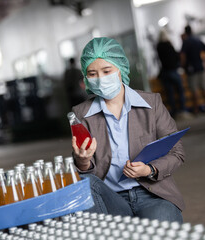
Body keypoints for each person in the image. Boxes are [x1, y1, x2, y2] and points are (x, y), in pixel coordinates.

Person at [70, 37, 185, 223]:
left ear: (120, 68)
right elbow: (87, 175)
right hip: (111, 199)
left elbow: (177, 153)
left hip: (152, 193)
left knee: (162, 226)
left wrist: (149, 169)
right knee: (87, 183)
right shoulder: (81, 114)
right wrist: (82, 162)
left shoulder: (151, 103)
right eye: (92, 73)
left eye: (106, 71)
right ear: (85, 76)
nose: (100, 79)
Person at [156, 29, 188, 119]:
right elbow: (176, 56)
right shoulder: (169, 45)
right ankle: (183, 110)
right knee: (180, 90)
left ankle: (174, 112)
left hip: (164, 72)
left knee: (170, 93)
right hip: (173, 71)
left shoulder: (158, 46)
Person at [181, 25, 205, 114]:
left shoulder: (186, 42)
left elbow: (183, 55)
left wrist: (183, 65)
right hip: (200, 67)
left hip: (191, 69)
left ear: (185, 32)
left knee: (194, 90)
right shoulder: (197, 40)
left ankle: (196, 110)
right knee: (204, 88)